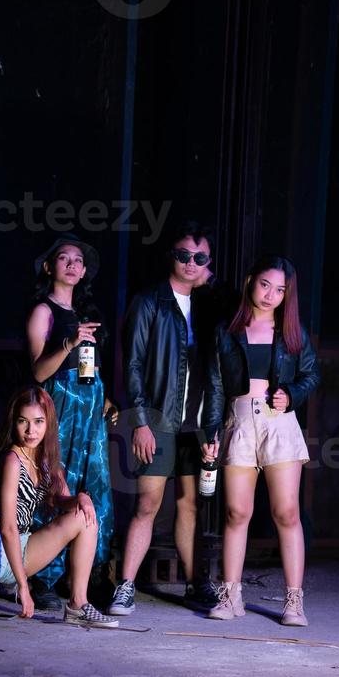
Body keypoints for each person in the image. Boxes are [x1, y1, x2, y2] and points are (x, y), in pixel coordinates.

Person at [108, 221, 221, 617]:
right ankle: (125, 586)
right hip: (157, 419)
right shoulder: (149, 301)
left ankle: (195, 585)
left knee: (191, 504)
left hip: (197, 423)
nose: (191, 264)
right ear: (171, 256)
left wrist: (213, 425)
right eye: (185, 256)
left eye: (200, 258)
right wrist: (139, 420)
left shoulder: (209, 306)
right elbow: (133, 364)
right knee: (148, 503)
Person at [201, 254, 319, 627]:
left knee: (286, 512)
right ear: (251, 280)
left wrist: (292, 395)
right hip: (238, 421)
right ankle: (230, 595)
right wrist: (210, 432)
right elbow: (215, 386)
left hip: (278, 423)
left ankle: (294, 601)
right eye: (265, 284)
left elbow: (310, 375)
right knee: (237, 512)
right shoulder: (226, 330)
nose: (271, 295)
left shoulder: (292, 331)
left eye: (281, 289)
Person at [0, 385, 119, 629]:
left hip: (23, 547)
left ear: (48, 424)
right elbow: (8, 528)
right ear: (14, 422)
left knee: (84, 515)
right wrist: (24, 587)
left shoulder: (45, 458)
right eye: (23, 421)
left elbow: (59, 500)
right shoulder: (11, 460)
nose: (31, 430)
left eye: (38, 422)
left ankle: (78, 604)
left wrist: (80, 499)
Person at [26, 234, 118, 611]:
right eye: (63, 258)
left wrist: (105, 395)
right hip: (58, 407)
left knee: (91, 484)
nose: (72, 265)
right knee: (56, 482)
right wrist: (66, 344)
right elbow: (37, 372)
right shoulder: (43, 311)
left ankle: (86, 575)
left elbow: (89, 368)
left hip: (89, 411)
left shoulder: (85, 315)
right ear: (50, 267)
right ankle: (43, 576)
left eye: (78, 261)